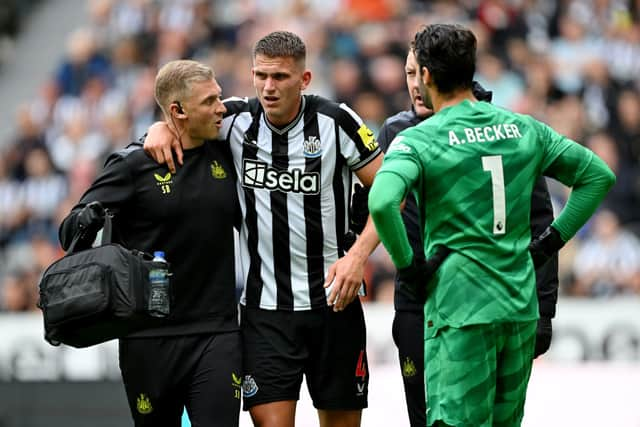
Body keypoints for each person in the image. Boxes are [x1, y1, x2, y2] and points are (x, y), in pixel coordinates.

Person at [368, 24, 615, 427]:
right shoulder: (523, 128)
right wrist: (551, 241)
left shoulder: (419, 138)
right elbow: (597, 176)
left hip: (460, 308)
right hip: (517, 304)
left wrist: (410, 267)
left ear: (427, 75)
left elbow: (380, 202)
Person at [143, 31, 382, 427]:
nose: (269, 87)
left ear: (304, 80)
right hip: (264, 313)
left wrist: (357, 257)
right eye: (261, 75)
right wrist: (160, 128)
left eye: (280, 77)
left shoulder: (336, 121)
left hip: (334, 305)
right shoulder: (234, 118)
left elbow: (391, 195)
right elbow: (183, 119)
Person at [59, 60, 242, 427]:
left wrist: (159, 127)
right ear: (178, 110)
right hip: (149, 338)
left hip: (217, 333)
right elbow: (69, 234)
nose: (221, 107)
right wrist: (90, 217)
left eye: (219, 97)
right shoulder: (132, 165)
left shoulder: (227, 151)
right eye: (209, 101)